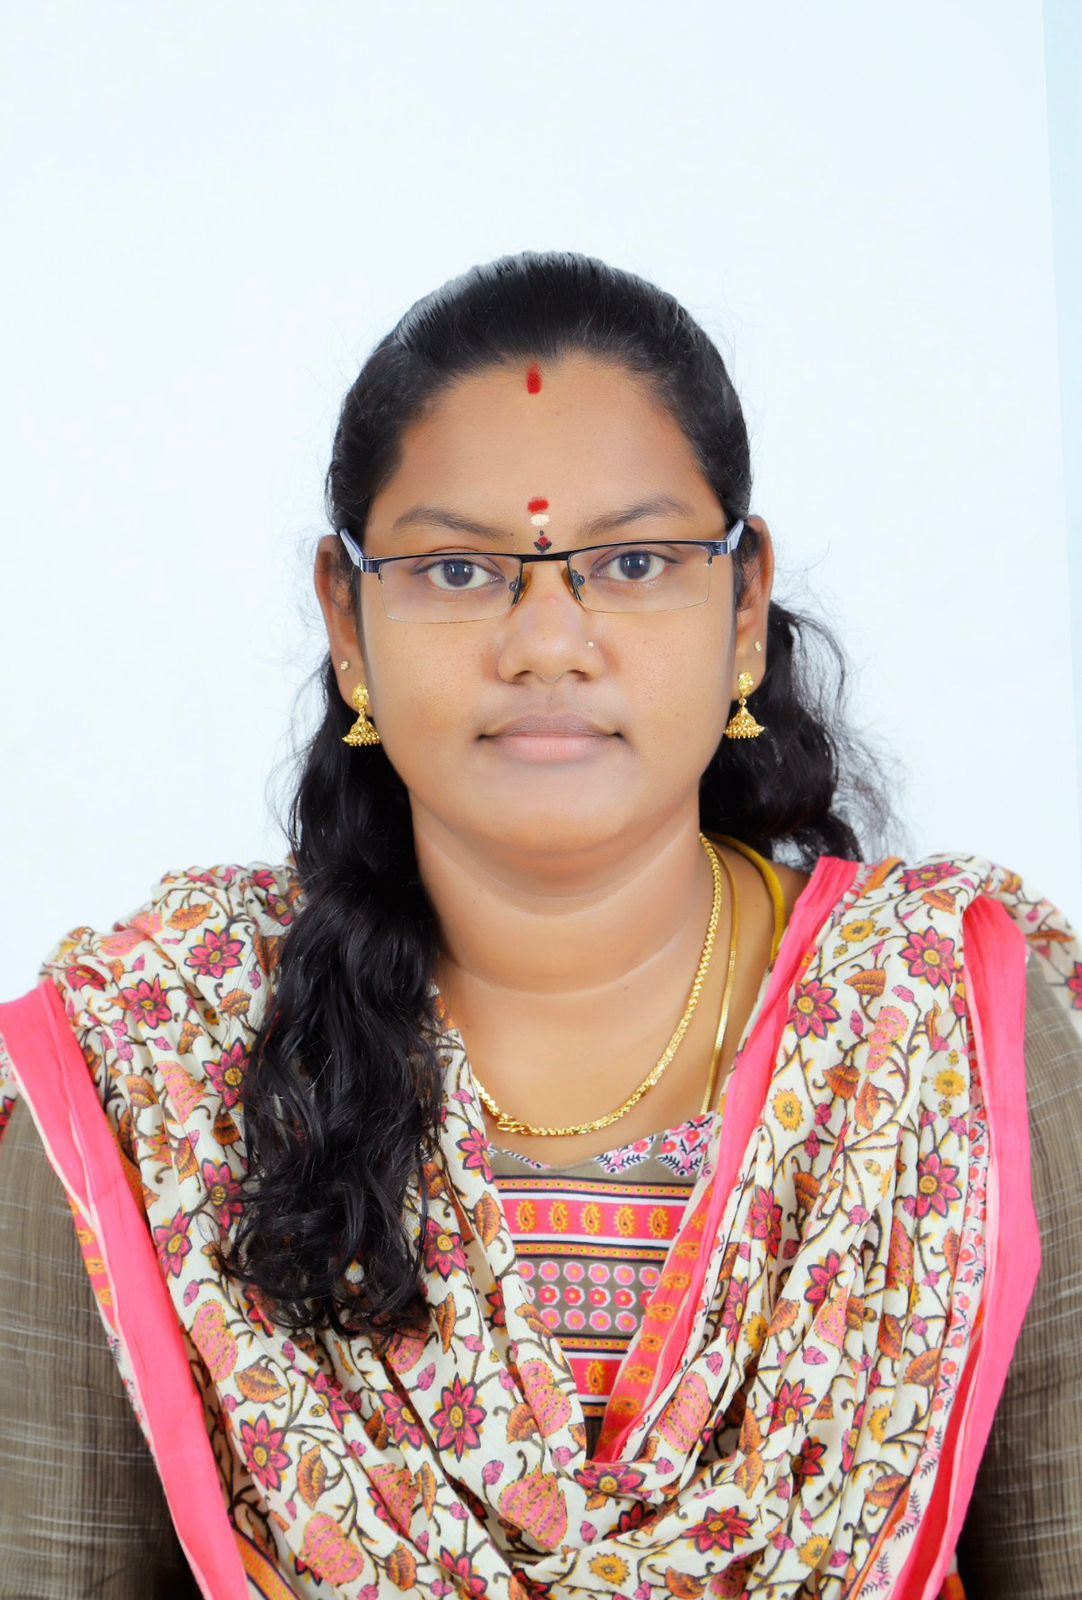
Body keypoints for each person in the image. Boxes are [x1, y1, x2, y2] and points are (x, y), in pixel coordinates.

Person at [1, 250, 1080, 1600]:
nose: (548, 643)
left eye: (632, 561)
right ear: (348, 621)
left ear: (744, 607)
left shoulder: (941, 1038)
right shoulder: (156, 1066)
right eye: (459, 570)